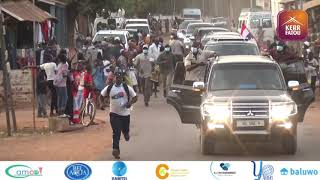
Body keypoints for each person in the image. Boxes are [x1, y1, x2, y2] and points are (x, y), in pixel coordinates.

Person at [100, 67, 138, 159]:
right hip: (114, 114)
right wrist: (102, 104)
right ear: (114, 78)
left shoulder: (126, 87)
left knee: (125, 132)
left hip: (125, 114)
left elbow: (135, 97)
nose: (118, 79)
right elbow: (101, 95)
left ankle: (126, 133)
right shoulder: (109, 88)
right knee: (116, 132)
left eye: (120, 77)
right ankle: (115, 150)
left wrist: (130, 103)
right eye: (116, 77)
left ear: (122, 78)